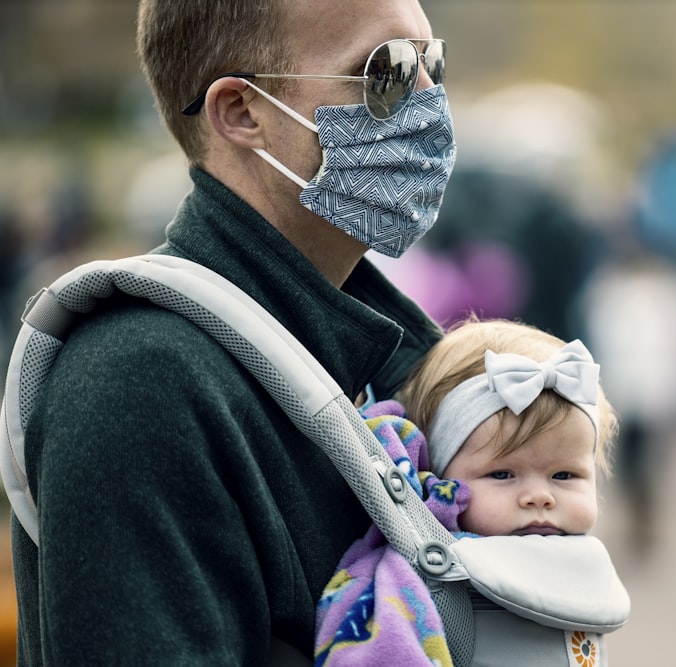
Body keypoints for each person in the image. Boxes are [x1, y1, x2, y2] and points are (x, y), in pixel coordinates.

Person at [9, 0, 455, 664]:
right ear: (242, 113)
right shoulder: (142, 384)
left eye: (433, 64)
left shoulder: (365, 354)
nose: (430, 102)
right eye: (384, 70)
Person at [313, 317, 618, 663]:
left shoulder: (582, 566)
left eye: (564, 475)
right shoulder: (421, 580)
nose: (539, 497)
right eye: (502, 474)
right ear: (441, 477)